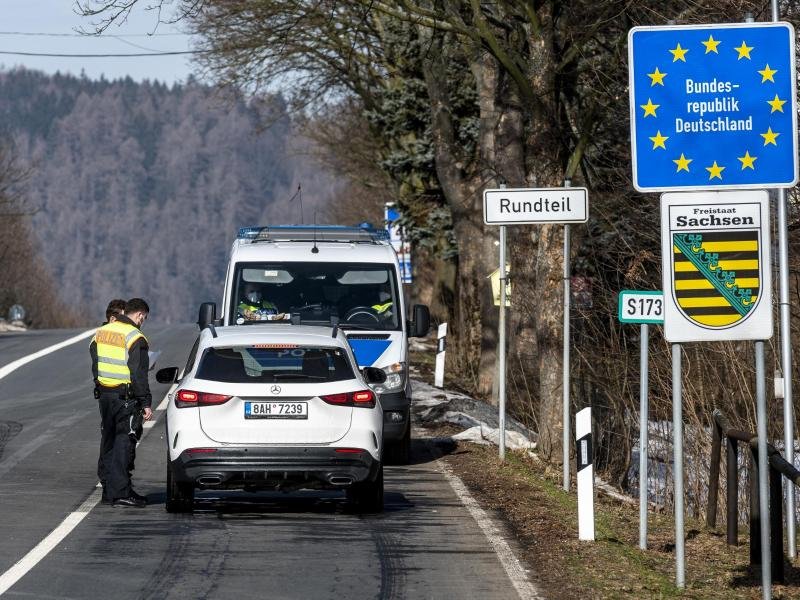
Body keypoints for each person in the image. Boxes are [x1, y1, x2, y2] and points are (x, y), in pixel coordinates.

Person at [90, 297, 153, 507]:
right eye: (143, 319)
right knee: (124, 441)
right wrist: (145, 403)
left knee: (108, 440)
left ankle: (108, 489)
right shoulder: (135, 337)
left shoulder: (102, 331)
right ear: (139, 315)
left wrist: (99, 382)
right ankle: (121, 492)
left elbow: (95, 357)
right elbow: (138, 374)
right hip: (125, 397)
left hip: (105, 394)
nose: (142, 322)